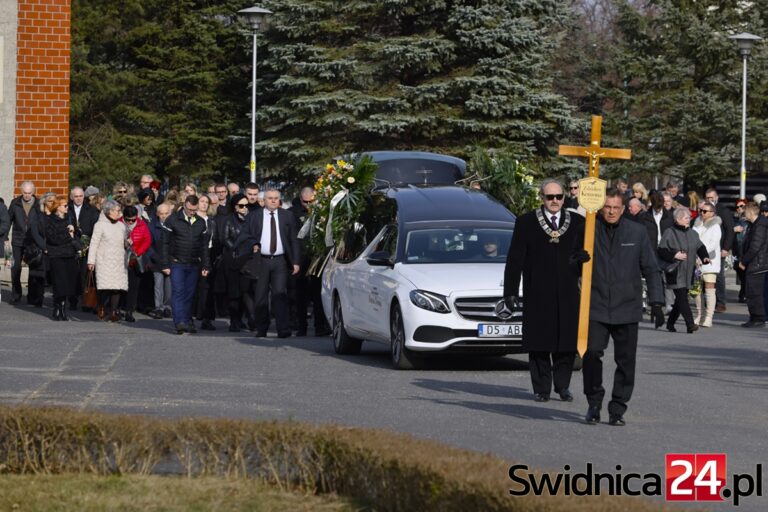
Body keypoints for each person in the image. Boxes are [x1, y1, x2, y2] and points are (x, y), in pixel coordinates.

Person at [583, 188, 665, 426]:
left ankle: (617, 408)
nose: (611, 211)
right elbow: (573, 262)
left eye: (616, 208)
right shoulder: (589, 230)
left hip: (627, 306)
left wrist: (657, 302)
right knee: (591, 354)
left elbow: (651, 268)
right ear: (601, 208)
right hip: (596, 305)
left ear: (623, 209)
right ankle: (594, 402)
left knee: (626, 362)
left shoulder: (636, 232)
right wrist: (575, 260)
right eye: (607, 207)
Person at [504, 179, 586, 403]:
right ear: (542, 198)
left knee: (566, 343)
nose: (555, 201)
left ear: (564, 198)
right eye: (550, 197)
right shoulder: (526, 222)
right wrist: (510, 292)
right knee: (539, 342)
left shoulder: (578, 222)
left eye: (559, 197)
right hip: (538, 291)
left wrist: (583, 260)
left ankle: (563, 385)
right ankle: (542, 388)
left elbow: (586, 258)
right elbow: (515, 259)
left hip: (568, 292)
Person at [237, 188, 300, 338]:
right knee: (260, 295)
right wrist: (252, 244)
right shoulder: (254, 216)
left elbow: (294, 240)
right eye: (270, 198)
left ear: (279, 200)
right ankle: (261, 328)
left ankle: (283, 329)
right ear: (263, 200)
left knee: (280, 294)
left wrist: (296, 261)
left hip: (280, 261)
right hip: (261, 260)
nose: (273, 200)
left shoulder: (287, 216)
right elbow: (244, 236)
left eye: (276, 198)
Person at [160, 195, 211, 334]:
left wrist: (206, 265)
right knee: (178, 292)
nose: (192, 212)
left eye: (195, 210)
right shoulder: (173, 219)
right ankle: (180, 322)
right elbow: (164, 243)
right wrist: (165, 264)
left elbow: (204, 246)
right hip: (176, 262)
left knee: (189, 294)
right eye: (190, 209)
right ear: (185, 205)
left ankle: (188, 320)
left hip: (194, 263)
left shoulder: (201, 222)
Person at [658, 207, 710, 333]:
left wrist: (705, 257)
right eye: (686, 218)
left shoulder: (692, 233)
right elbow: (661, 250)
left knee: (680, 300)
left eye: (689, 217)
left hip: (689, 271)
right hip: (675, 271)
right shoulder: (669, 232)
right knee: (682, 298)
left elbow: (700, 246)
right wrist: (674, 255)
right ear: (678, 219)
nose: (689, 220)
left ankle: (670, 323)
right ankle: (690, 324)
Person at [288, 187, 331, 337]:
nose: (308, 205)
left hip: (317, 257)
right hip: (299, 258)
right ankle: (301, 326)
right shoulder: (292, 213)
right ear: (300, 199)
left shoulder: (322, 212)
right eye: (305, 202)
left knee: (318, 293)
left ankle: (320, 326)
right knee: (300, 294)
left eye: (311, 202)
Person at [215, 193, 251, 332]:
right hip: (233, 259)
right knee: (234, 292)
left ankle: (241, 319)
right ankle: (234, 320)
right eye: (241, 205)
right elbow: (224, 238)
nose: (244, 208)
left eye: (246, 205)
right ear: (235, 207)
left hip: (247, 260)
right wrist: (238, 248)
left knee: (244, 292)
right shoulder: (228, 220)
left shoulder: (251, 219)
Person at [87, 200, 128, 322]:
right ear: (109, 211)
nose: (119, 213)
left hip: (119, 260)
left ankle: (113, 312)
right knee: (104, 287)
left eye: (119, 210)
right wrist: (91, 261)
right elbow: (94, 243)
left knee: (117, 287)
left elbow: (124, 241)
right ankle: (101, 306)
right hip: (104, 260)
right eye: (116, 210)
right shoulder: (99, 225)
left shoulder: (121, 226)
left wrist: (127, 243)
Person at [45, 195, 82, 320]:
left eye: (67, 205)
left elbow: (76, 236)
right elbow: (53, 239)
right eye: (65, 205)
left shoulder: (70, 218)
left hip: (69, 254)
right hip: (56, 255)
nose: (67, 208)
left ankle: (63, 308)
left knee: (68, 283)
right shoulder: (49, 220)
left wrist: (73, 232)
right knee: (58, 283)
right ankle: (56, 308)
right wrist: (68, 234)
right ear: (58, 207)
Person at [7, 181, 41, 305]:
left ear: (33, 192)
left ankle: (32, 297)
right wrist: (5, 237)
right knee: (15, 267)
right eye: (25, 193)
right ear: (21, 192)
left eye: (29, 193)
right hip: (18, 239)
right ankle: (16, 294)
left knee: (33, 269)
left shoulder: (38, 204)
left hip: (33, 241)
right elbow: (8, 220)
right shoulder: (15, 203)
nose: (27, 195)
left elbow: (42, 222)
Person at [703, 188, 735, 313]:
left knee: (719, 276)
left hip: (719, 249)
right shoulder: (703, 209)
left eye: (711, 197)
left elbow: (730, 230)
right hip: (705, 248)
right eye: (707, 198)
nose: (709, 200)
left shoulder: (723, 211)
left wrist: (726, 248)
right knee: (705, 274)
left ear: (717, 197)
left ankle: (721, 302)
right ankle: (709, 301)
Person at [68, 186, 99, 311]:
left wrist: (89, 243)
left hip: (86, 245)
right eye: (76, 196)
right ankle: (72, 300)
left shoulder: (91, 210)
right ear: (71, 197)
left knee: (84, 274)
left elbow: (95, 228)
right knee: (71, 274)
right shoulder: (67, 208)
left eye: (81, 196)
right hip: (70, 245)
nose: (79, 198)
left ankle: (85, 301)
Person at [738, 202, 768, 328]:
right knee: (752, 291)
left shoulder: (760, 225)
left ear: (750, 212)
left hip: (757, 264)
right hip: (756, 263)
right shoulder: (755, 224)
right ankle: (755, 317)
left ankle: (758, 318)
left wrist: (744, 261)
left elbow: (755, 246)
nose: (743, 214)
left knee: (754, 292)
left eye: (745, 212)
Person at [692, 201, 721, 327]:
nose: (701, 213)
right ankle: (700, 314)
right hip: (696, 261)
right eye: (701, 210)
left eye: (705, 211)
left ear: (712, 213)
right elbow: (692, 239)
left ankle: (709, 316)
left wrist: (701, 254)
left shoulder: (716, 226)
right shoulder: (696, 224)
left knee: (709, 288)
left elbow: (713, 244)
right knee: (697, 289)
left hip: (709, 261)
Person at [123, 205, 152, 322]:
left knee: (133, 286)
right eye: (128, 220)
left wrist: (138, 252)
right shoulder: (119, 223)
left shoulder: (141, 224)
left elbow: (147, 240)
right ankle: (117, 308)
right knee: (121, 286)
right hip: (121, 259)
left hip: (135, 259)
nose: (130, 222)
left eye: (133, 220)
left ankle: (129, 311)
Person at [147, 203, 173, 319]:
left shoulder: (174, 225)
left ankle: (167, 307)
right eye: (161, 213)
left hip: (170, 260)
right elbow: (149, 245)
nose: (164, 216)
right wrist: (155, 258)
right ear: (157, 214)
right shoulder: (152, 226)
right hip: (157, 260)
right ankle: (159, 308)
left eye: (166, 213)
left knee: (169, 286)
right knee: (158, 285)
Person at [733, 198, 749, 303]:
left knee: (745, 275)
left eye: (741, 206)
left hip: (746, 251)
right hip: (736, 251)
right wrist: (733, 230)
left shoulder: (749, 221)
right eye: (737, 206)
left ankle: (743, 294)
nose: (739, 208)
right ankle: (743, 294)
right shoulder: (734, 220)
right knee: (741, 274)